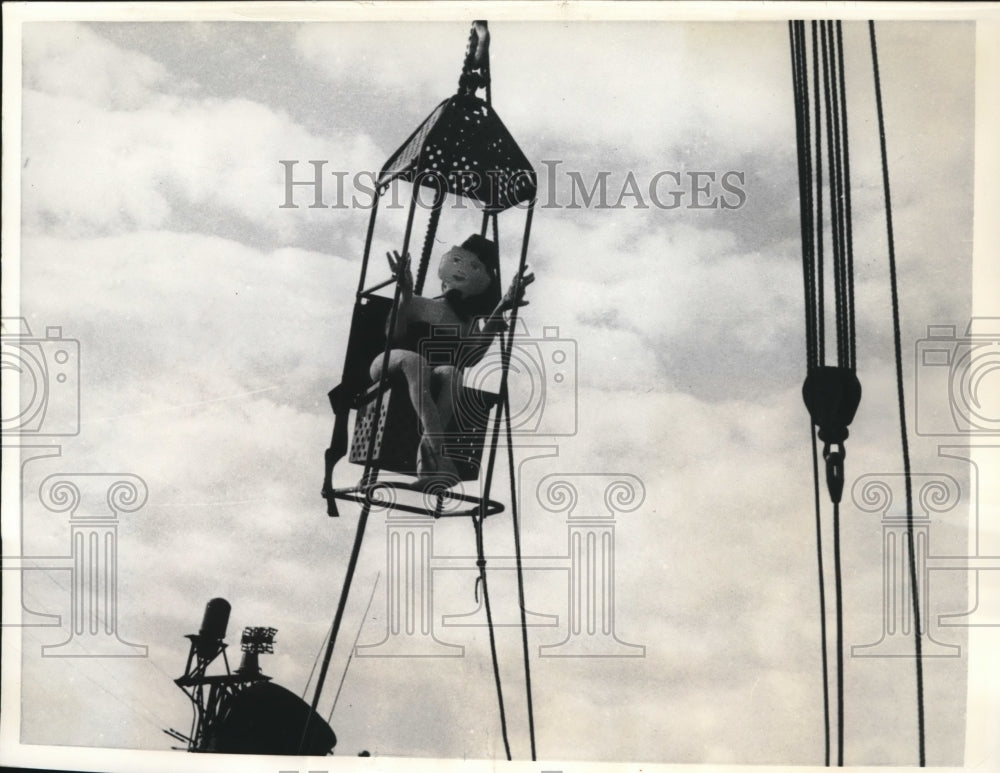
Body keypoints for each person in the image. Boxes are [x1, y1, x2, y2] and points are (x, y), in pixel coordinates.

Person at [370, 234, 533, 483]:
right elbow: (395, 335)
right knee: (416, 362)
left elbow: (470, 359)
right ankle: (438, 451)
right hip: (391, 364)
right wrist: (405, 293)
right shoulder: (418, 303)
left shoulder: (467, 323)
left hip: (427, 377)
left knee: (452, 373)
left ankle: (427, 461)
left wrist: (501, 307)